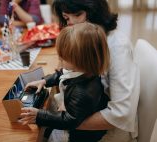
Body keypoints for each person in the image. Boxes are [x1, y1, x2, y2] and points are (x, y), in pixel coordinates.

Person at [50, 0, 140, 142]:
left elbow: (121, 113)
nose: (72, 23)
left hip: (110, 132)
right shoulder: (88, 41)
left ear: (95, 12)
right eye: (67, 18)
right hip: (85, 118)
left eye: (78, 14)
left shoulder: (116, 47)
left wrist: (66, 121)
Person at [20, 22, 110, 142]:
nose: (59, 59)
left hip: (77, 135)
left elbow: (69, 121)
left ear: (80, 60)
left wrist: (40, 115)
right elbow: (62, 74)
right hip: (71, 112)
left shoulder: (83, 92)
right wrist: (44, 81)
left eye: (63, 57)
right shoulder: (83, 70)